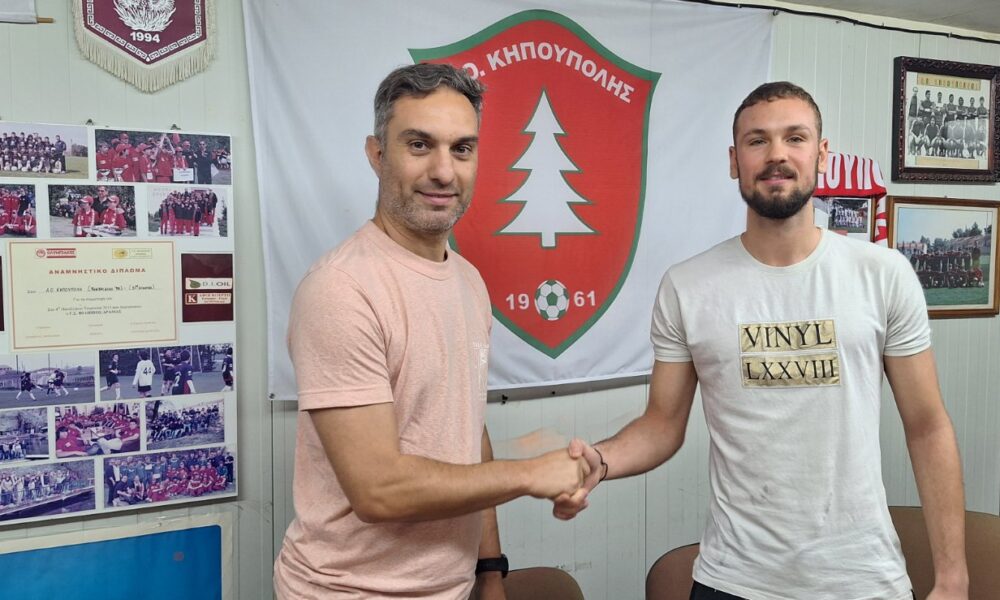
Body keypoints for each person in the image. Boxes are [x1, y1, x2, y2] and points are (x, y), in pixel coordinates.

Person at [555, 82, 968, 600]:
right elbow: (661, 423)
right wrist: (600, 460)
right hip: (733, 581)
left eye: (795, 138)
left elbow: (927, 427)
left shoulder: (882, 274)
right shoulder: (688, 286)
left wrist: (953, 578)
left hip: (861, 580)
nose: (777, 154)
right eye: (757, 141)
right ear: (735, 161)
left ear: (822, 155)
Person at [273, 63, 589, 599]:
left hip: (454, 587)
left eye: (461, 149)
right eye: (419, 145)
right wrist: (530, 474)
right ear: (378, 154)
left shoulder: (467, 281)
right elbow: (379, 490)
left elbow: (468, 435)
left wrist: (490, 570)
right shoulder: (340, 289)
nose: (444, 172)